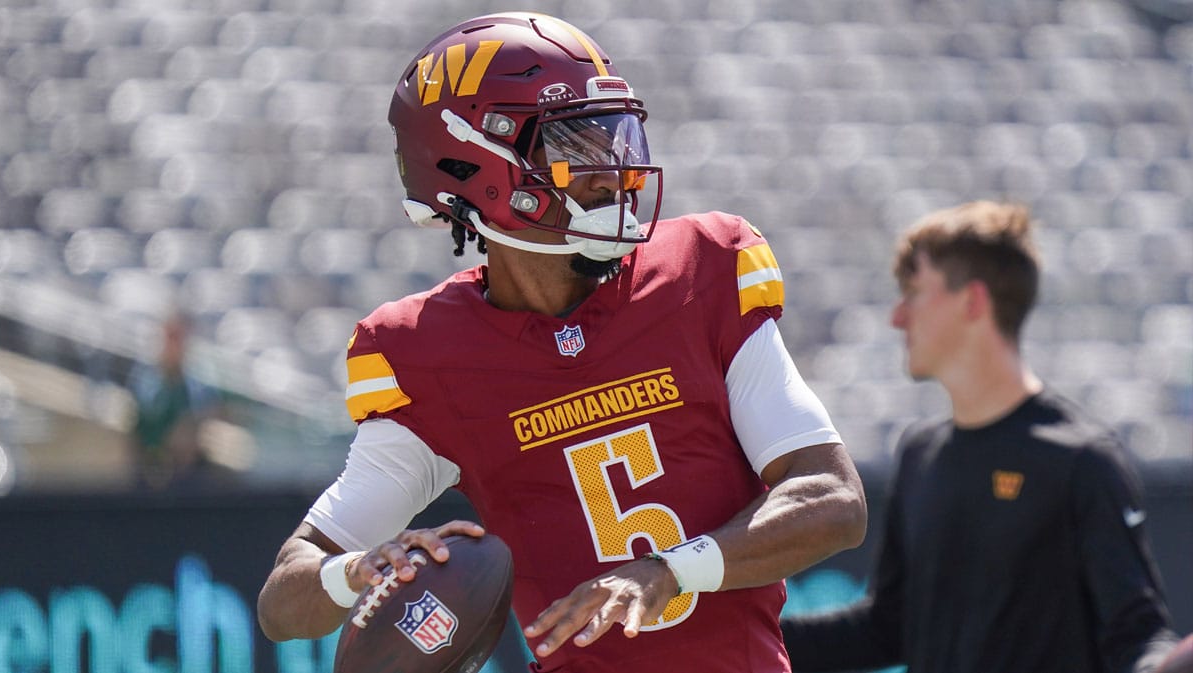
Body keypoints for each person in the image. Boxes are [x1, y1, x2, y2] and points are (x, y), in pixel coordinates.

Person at [257, 12, 867, 673]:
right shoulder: (430, 356)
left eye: (619, 138)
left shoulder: (700, 273)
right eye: (580, 146)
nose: (616, 172)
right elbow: (283, 601)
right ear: (478, 167)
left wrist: (670, 569)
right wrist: (356, 570)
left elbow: (833, 498)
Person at [781, 201, 1181, 673]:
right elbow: (886, 630)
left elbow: (1136, 635)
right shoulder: (920, 454)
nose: (898, 317)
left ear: (973, 300)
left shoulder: (1082, 462)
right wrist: (734, 635)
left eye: (913, 293)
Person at [127, 312, 221, 490]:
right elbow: (139, 423)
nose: (175, 345)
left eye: (179, 338)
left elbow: (212, 414)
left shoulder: (200, 382)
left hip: (190, 476)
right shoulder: (146, 380)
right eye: (170, 337)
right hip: (150, 474)